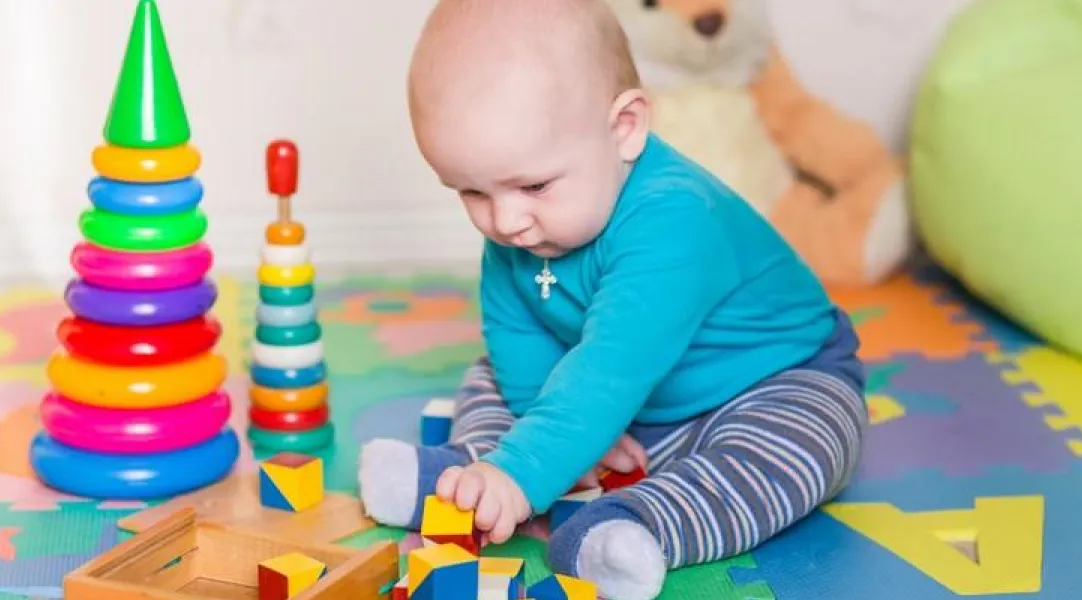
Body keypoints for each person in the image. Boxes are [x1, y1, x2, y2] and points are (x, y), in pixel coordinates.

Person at [357, 1, 868, 598]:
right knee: (491, 371)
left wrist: (526, 471)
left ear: (624, 129)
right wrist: (551, 435)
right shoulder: (521, 218)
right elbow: (516, 330)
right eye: (470, 191)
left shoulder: (673, 220)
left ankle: (639, 524)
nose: (505, 221)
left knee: (808, 441)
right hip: (623, 401)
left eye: (534, 185)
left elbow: (611, 369)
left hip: (768, 382)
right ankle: (467, 478)